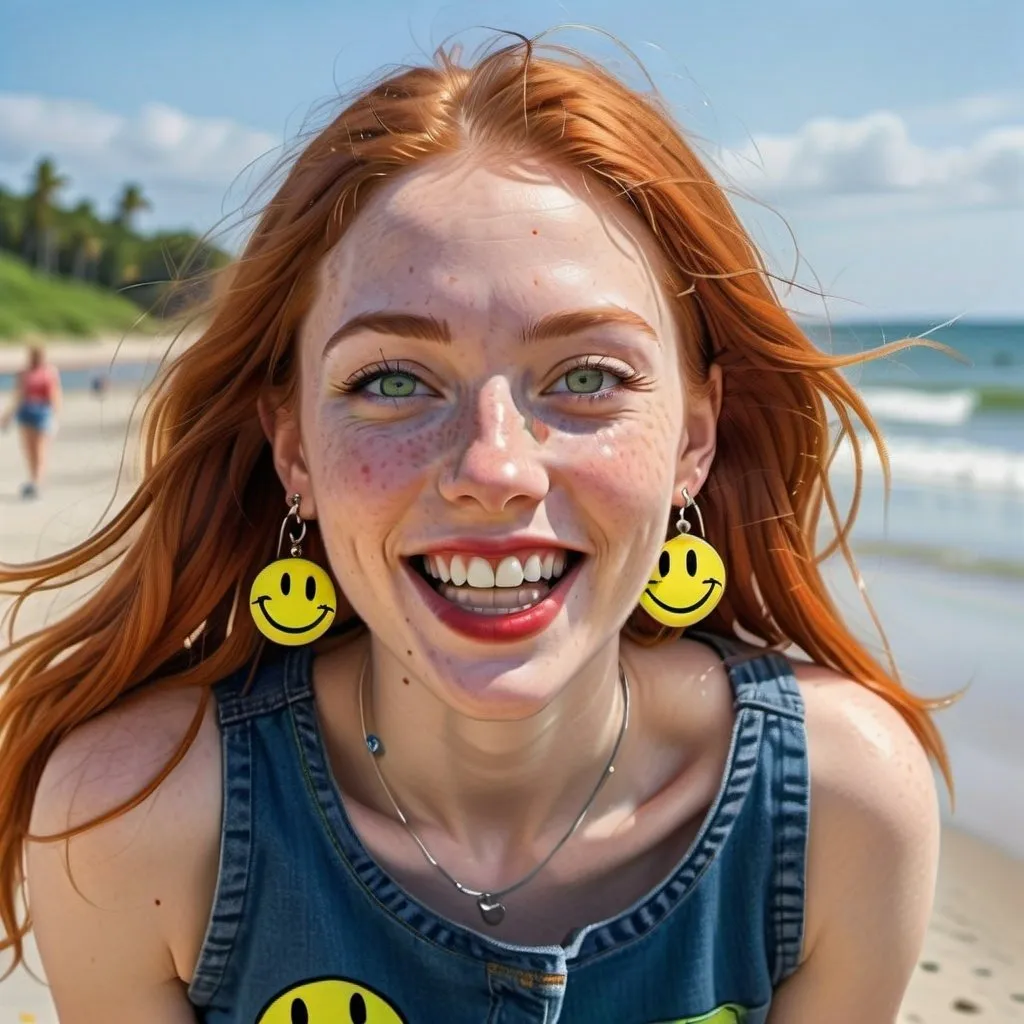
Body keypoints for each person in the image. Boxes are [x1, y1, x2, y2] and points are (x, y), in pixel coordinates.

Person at [0, 37, 947, 1024]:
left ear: (692, 441)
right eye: (392, 380)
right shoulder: (136, 820)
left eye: (586, 376)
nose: (494, 469)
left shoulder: (839, 810)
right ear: (292, 448)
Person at [0, 344, 62, 498]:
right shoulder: (23, 373)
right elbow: (18, 395)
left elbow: (55, 393)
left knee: (40, 449)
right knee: (29, 450)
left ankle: (37, 482)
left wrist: (56, 414)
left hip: (42, 413)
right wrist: (7, 416)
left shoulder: (50, 372)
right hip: (26, 412)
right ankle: (33, 479)